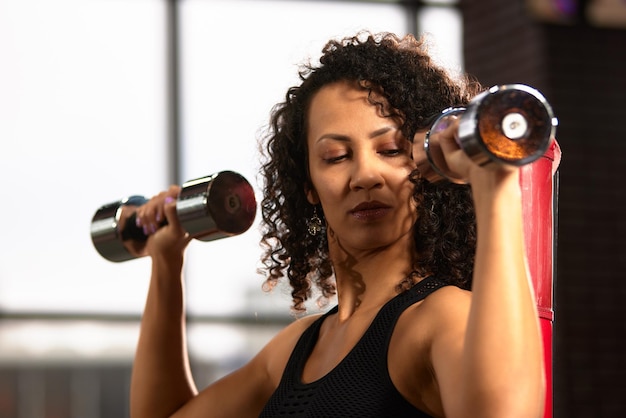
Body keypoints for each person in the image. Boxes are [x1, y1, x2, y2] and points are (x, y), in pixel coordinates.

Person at [128, 31, 546, 418]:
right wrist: (166, 264)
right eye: (336, 156)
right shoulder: (296, 349)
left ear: (428, 166)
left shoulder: (440, 319)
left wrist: (492, 179)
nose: (366, 175)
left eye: (390, 149)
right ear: (308, 184)